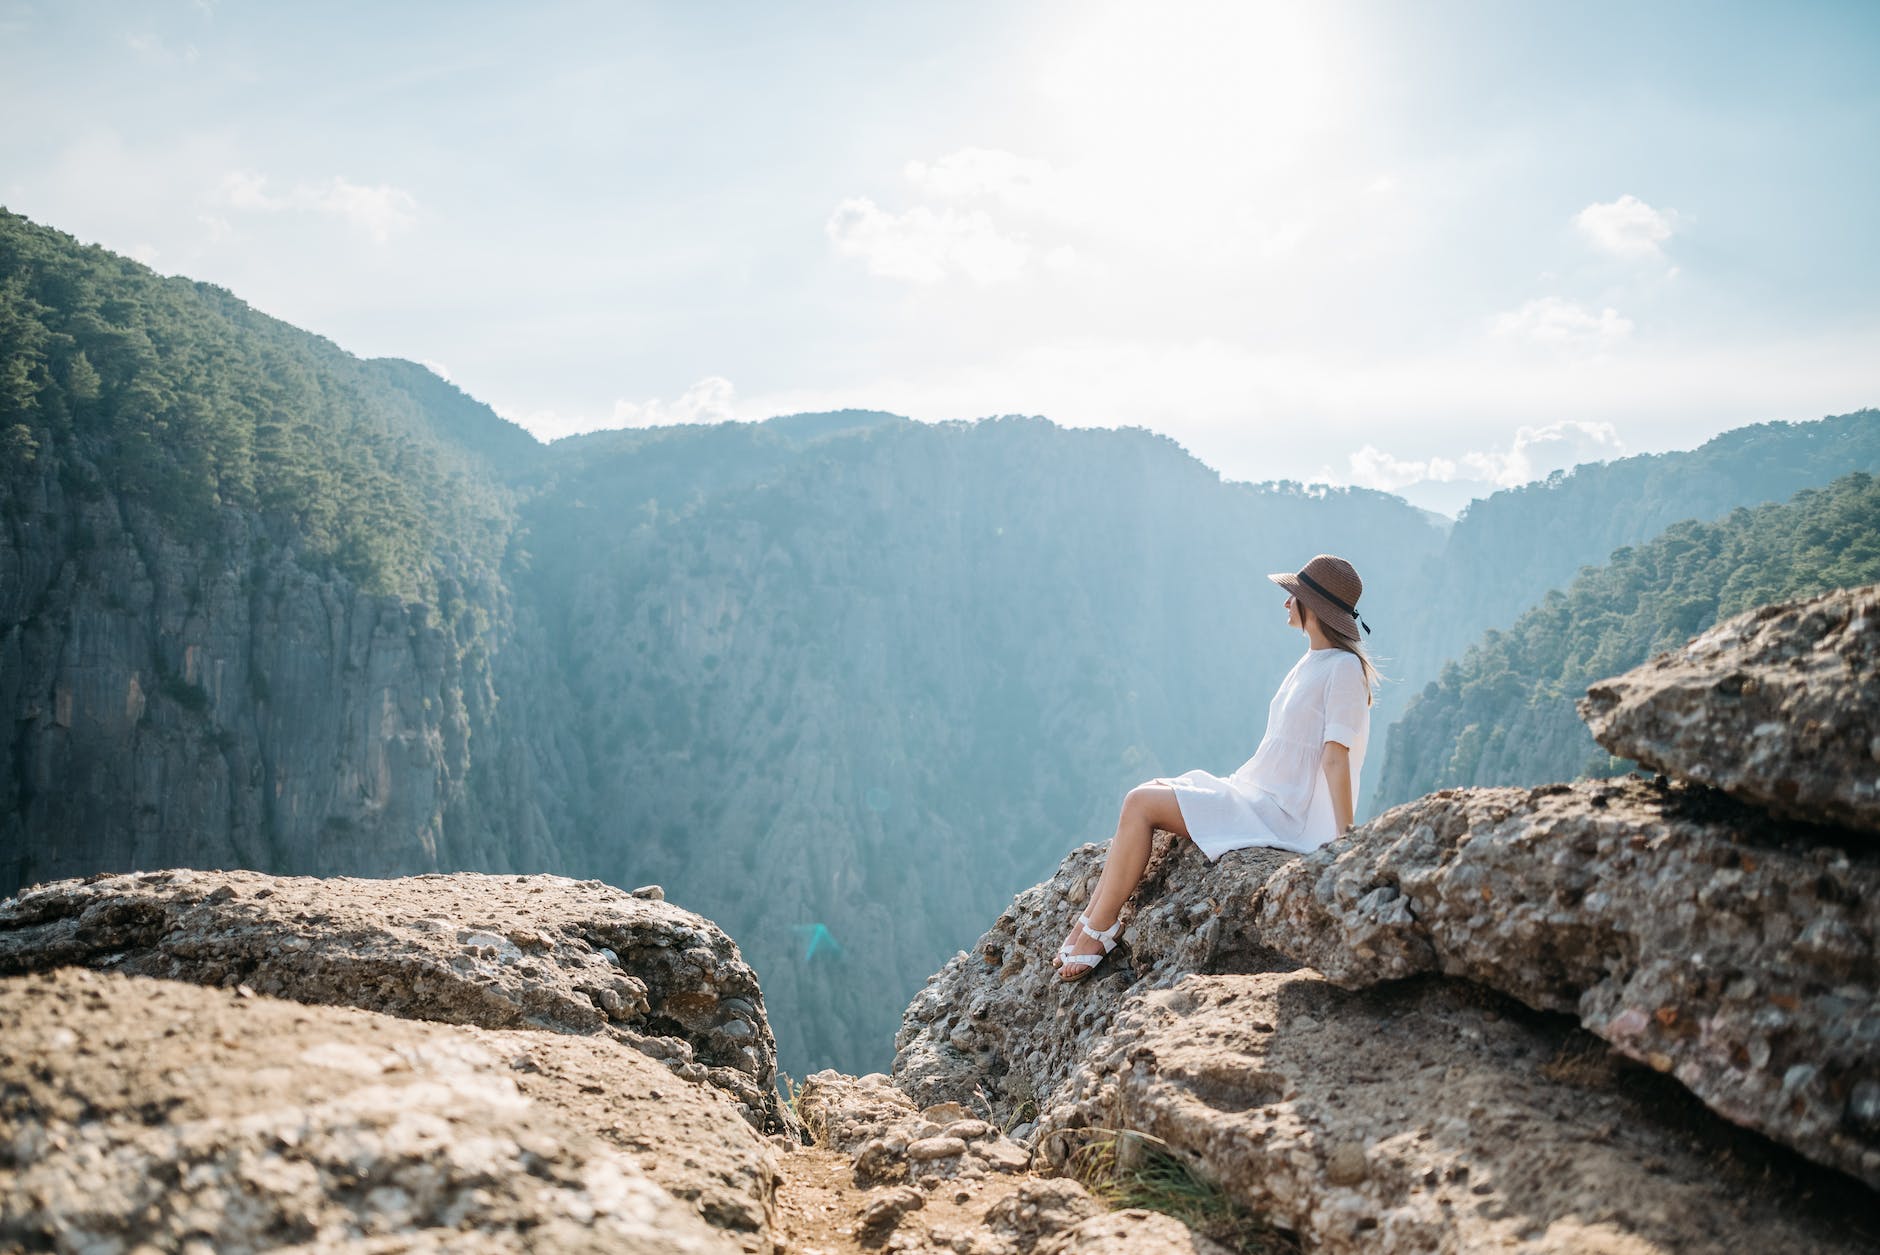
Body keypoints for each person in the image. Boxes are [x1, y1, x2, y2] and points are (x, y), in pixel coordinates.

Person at [1056, 553, 1379, 981]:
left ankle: (1100, 928)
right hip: (1261, 795)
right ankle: (1090, 921)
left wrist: (1345, 841)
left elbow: (1336, 758)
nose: (1286, 603)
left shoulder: (1344, 669)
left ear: (1314, 607)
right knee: (1149, 790)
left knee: (1140, 803)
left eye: (1293, 596)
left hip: (1285, 815)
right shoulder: (1313, 661)